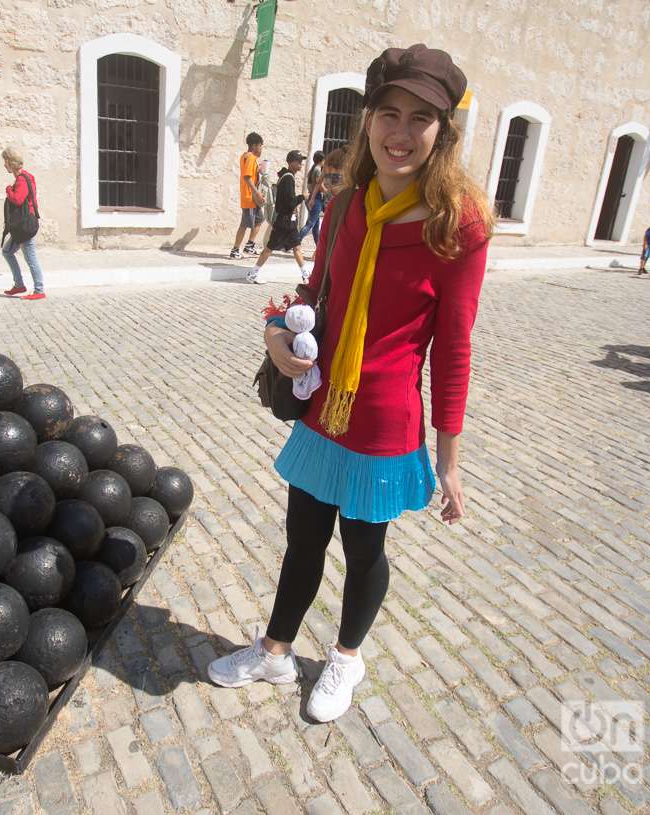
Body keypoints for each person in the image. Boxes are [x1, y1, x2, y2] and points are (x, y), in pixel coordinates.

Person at [208, 44, 493, 724]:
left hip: (384, 425)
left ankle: (345, 656)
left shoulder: (460, 226)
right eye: (387, 114)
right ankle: (276, 650)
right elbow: (311, 295)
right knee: (302, 538)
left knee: (365, 551)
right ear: (366, 122)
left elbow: (453, 349)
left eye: (420, 118)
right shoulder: (343, 208)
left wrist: (449, 460)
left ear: (443, 131)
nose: (400, 132)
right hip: (320, 414)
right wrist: (278, 339)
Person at [247, 150, 308, 285]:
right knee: (269, 248)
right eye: (298, 162)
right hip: (284, 222)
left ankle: (306, 276)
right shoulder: (288, 178)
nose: (301, 165)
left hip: (288, 222)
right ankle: (253, 273)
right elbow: (290, 202)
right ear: (291, 163)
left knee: (297, 246)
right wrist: (303, 197)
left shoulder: (287, 177)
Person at [0, 147, 46, 300]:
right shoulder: (27, 177)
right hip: (22, 225)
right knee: (7, 251)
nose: (4, 165)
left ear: (9, 162)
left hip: (25, 225)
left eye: (4, 162)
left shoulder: (22, 179)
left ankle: (39, 290)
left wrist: (8, 189)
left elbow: (18, 199)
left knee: (30, 257)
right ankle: (19, 285)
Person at [230, 133, 266, 259]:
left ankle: (249, 245)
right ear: (255, 145)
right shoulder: (250, 158)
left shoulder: (246, 157)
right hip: (250, 197)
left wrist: (260, 170)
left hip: (251, 197)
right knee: (244, 224)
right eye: (261, 146)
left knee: (259, 219)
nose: (261, 149)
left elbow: (250, 174)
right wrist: (257, 193)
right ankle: (235, 250)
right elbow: (247, 177)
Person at [298, 150, 327, 245]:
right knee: (310, 224)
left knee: (315, 225)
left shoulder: (312, 169)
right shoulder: (318, 170)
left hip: (311, 197)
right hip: (316, 198)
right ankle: (294, 242)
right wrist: (328, 192)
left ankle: (318, 247)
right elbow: (319, 185)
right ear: (322, 160)